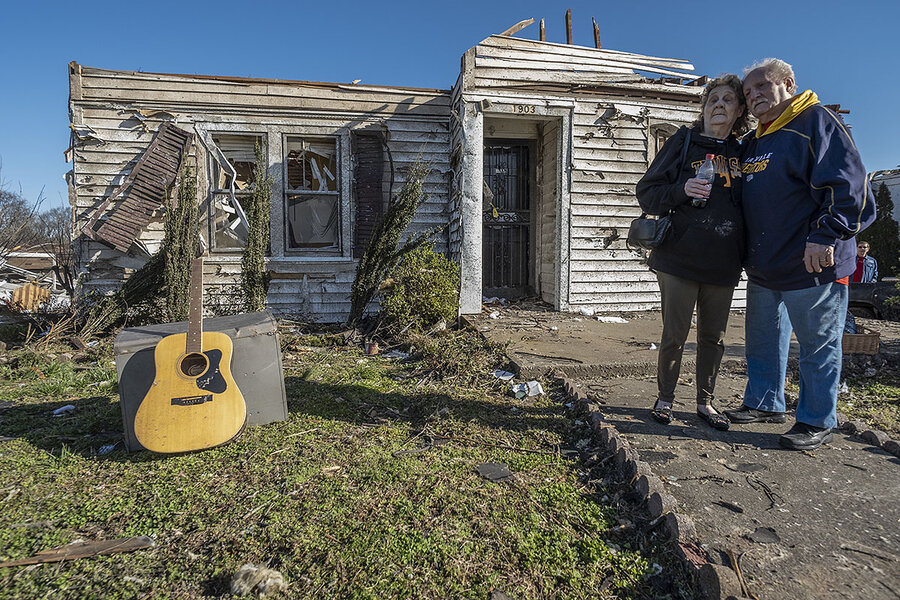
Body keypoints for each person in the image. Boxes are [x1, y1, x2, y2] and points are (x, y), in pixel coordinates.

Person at [725, 58, 876, 450]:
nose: (753, 95)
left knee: (817, 346)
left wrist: (825, 236)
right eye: (748, 92)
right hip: (765, 264)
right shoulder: (755, 140)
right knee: (763, 342)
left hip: (813, 262)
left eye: (761, 86)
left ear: (788, 83)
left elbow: (851, 187)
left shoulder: (816, 122)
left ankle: (816, 419)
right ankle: (764, 402)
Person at [636, 74, 748, 431]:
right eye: (713, 99)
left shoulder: (744, 152)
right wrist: (682, 189)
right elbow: (647, 193)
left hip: (724, 262)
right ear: (704, 108)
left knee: (713, 338)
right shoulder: (683, 141)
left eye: (728, 99)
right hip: (678, 258)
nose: (719, 105)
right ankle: (665, 398)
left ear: (740, 110)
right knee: (675, 334)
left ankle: (705, 402)